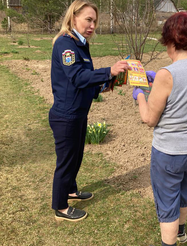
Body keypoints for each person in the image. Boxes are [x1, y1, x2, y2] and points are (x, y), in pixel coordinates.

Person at [132, 12, 187, 246]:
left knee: (167, 200)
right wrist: (155, 82)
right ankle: (181, 232)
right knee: (185, 188)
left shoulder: (166, 75)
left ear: (170, 39)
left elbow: (149, 119)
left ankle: (169, 241)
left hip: (172, 151)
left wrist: (140, 95)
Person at [49, 0, 129, 222]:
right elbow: (76, 77)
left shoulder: (81, 45)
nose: (92, 25)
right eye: (88, 19)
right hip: (66, 115)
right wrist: (108, 70)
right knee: (66, 161)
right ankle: (60, 207)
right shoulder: (66, 44)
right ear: (74, 18)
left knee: (76, 157)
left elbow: (86, 82)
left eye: (94, 21)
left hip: (78, 113)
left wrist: (108, 82)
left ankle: (71, 191)